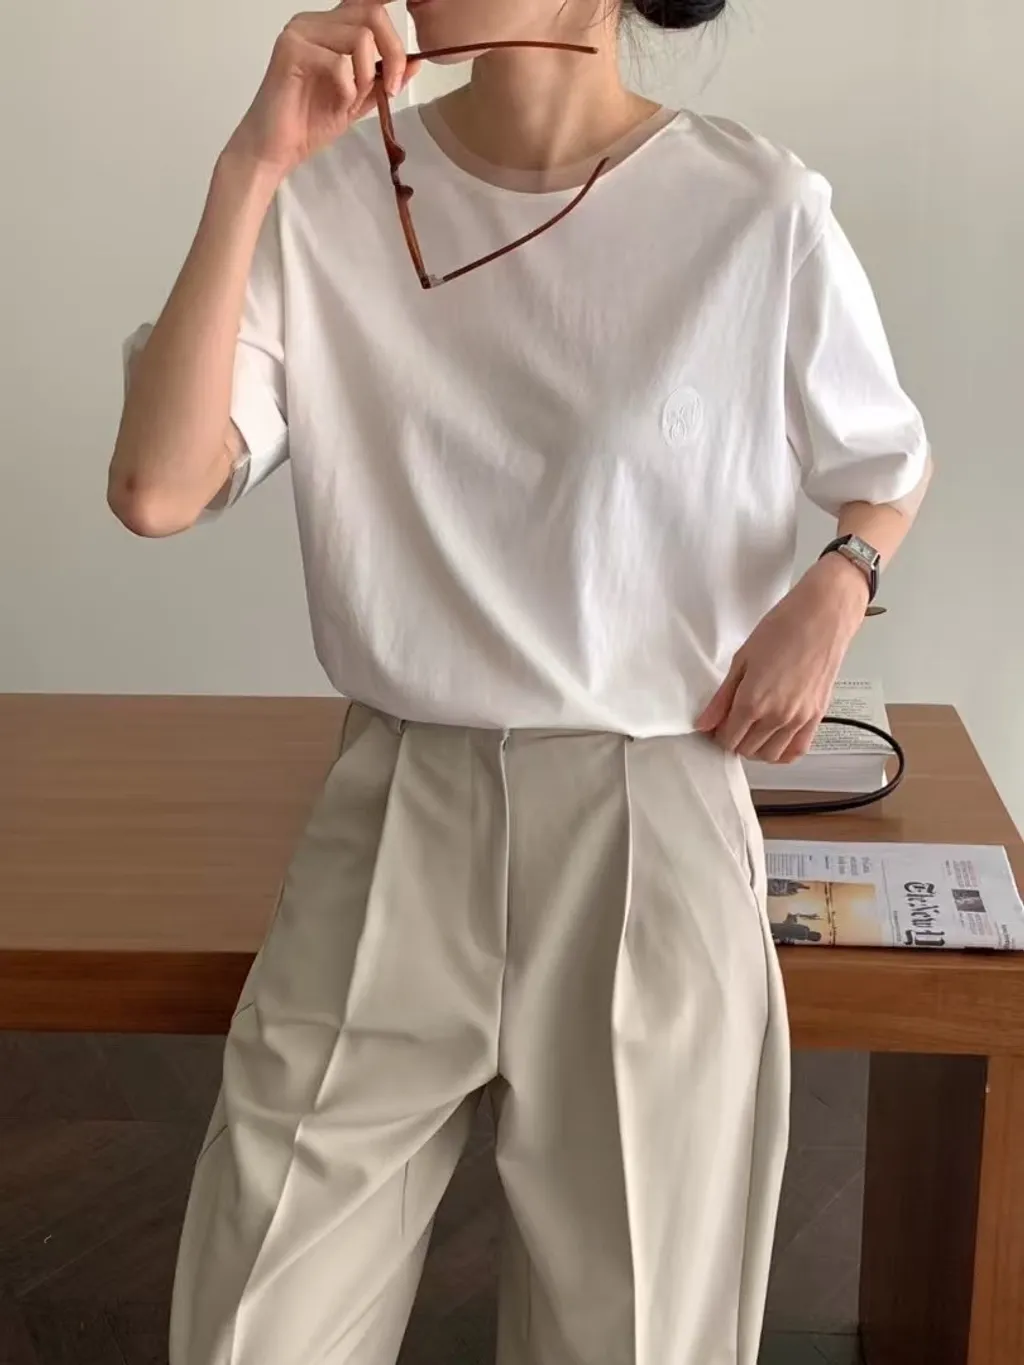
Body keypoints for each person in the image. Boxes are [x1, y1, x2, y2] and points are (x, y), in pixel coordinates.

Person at [109, 1, 932, 1362]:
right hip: (396, 806)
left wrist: (838, 584)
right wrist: (250, 166)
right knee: (256, 1324)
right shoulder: (324, 196)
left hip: (647, 824)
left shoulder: (754, 210)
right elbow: (155, 489)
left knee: (636, 1330)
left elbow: (886, 462)